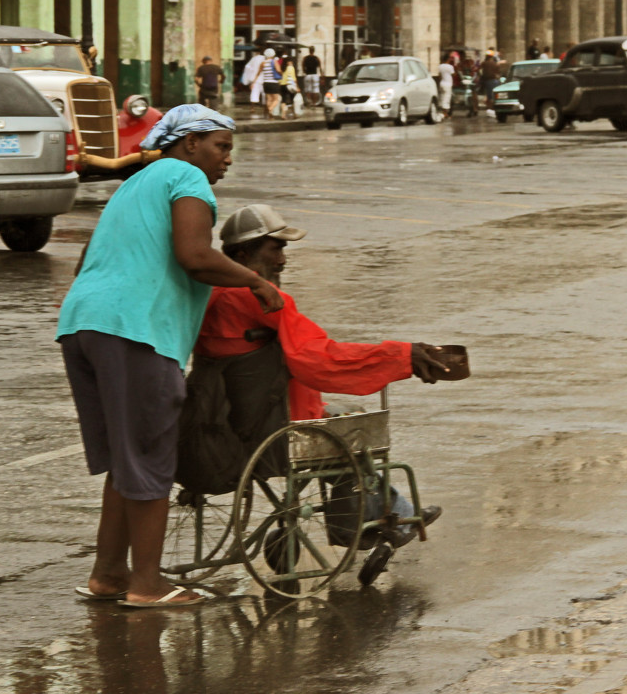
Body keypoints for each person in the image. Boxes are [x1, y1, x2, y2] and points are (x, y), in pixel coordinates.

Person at [58, 105, 285, 608]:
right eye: (221, 147)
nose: (227, 159)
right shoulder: (185, 177)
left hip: (84, 325)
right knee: (151, 455)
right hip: (134, 330)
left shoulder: (137, 184)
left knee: (125, 457)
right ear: (189, 144)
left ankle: (108, 576)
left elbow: (86, 261)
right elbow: (194, 255)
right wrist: (255, 282)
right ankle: (147, 585)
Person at [194, 204, 445, 540]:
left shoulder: (208, 295)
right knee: (351, 427)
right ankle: (379, 525)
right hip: (273, 427)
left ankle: (395, 516)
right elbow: (320, 358)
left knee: (340, 424)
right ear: (243, 253)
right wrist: (400, 355)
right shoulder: (258, 298)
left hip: (224, 424)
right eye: (275, 248)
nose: (282, 259)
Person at [241, 47, 265, 117]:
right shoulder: (264, 58)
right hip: (264, 79)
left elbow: (247, 67)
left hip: (255, 79)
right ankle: (265, 108)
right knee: (264, 94)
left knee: (254, 94)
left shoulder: (253, 59)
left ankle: (252, 108)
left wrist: (248, 79)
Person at [260, 47, 282, 119]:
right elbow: (278, 70)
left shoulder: (263, 63)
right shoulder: (274, 61)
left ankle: (270, 115)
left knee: (269, 99)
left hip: (266, 83)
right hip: (274, 82)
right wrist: (281, 73)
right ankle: (270, 109)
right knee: (276, 99)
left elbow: (259, 72)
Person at [479, 50, 501, 116]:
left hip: (488, 81)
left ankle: (490, 109)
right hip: (495, 80)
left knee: (490, 96)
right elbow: (498, 73)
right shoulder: (495, 63)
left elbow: (478, 69)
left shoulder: (484, 63)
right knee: (494, 95)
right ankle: (494, 108)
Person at [437, 53, 456, 118]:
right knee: (447, 98)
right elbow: (453, 74)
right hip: (448, 84)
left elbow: (439, 75)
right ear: (448, 59)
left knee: (442, 97)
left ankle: (443, 112)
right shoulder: (450, 67)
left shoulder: (440, 66)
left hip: (442, 83)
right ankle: (445, 113)